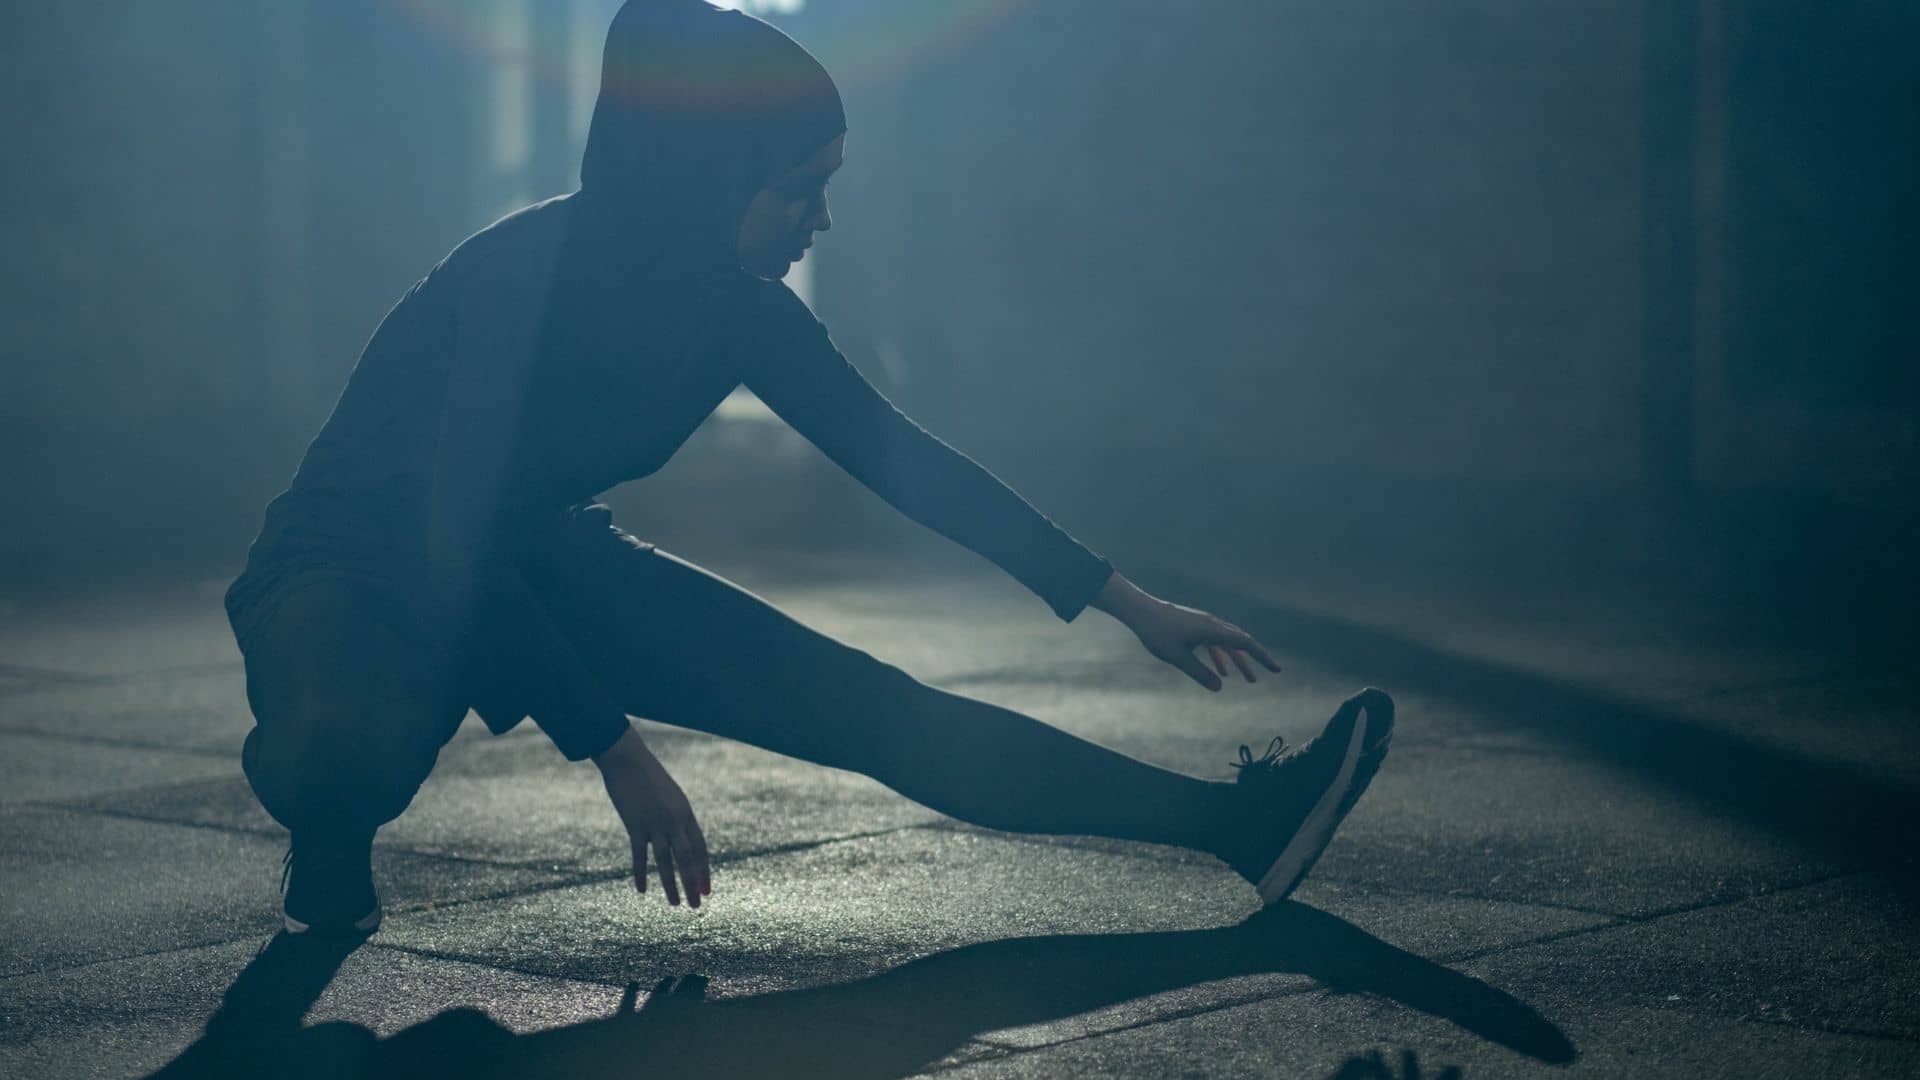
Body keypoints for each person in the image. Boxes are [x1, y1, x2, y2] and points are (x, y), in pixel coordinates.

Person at [225, 0, 1394, 936]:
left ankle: (1245, 829)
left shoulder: (739, 311)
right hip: (354, 561)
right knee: (346, 745)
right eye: (799, 191)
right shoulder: (510, 283)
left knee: (873, 710)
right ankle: (330, 833)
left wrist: (1125, 601)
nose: (817, 223)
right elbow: (449, 540)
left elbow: (903, 461)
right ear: (705, 176)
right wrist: (617, 750)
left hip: (533, 555)